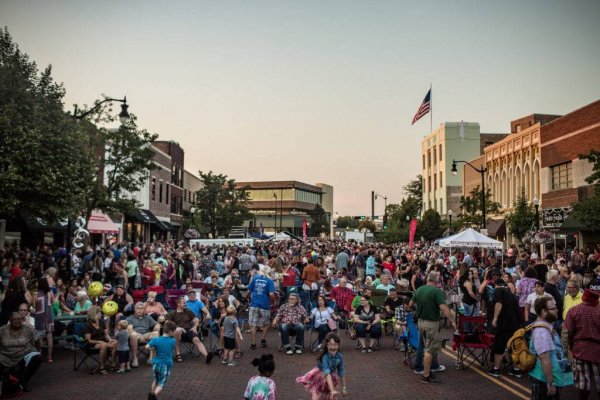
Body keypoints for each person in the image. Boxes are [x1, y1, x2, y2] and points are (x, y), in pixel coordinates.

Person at [409, 272, 456, 384]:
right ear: (436, 280)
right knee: (429, 350)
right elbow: (444, 308)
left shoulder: (419, 290)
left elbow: (410, 304)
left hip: (420, 322)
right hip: (431, 323)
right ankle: (426, 375)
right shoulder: (437, 291)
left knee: (425, 345)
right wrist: (453, 321)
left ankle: (427, 369)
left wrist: (420, 308)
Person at [529, 297, 574, 399]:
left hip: (550, 377)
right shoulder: (542, 332)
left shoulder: (547, 327)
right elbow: (544, 358)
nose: (557, 310)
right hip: (544, 380)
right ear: (543, 311)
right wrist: (550, 382)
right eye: (553, 309)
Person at [564, 282, 600, 400]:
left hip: (580, 349)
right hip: (597, 350)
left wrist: (571, 346)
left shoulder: (574, 311)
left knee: (582, 382)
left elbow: (569, 332)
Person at [489, 274, 524, 378]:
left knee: (499, 345)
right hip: (516, 324)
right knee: (514, 346)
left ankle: (496, 368)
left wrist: (495, 318)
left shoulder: (498, 291)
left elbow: (498, 303)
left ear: (495, 285)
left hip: (505, 323)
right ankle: (516, 369)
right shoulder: (510, 293)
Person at [0, 312, 42, 394]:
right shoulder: (2, 330)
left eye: (19, 319)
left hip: (24, 354)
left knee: (37, 357)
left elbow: (37, 340)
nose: (17, 321)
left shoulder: (27, 329)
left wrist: (38, 350)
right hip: (6, 355)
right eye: (15, 319)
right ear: (10, 320)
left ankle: (23, 381)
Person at [296, 332, 347, 399]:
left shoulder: (339, 356)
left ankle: (331, 393)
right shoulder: (325, 357)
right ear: (327, 345)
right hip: (320, 376)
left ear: (338, 345)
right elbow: (327, 373)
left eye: (336, 344)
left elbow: (341, 371)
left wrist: (344, 388)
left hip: (331, 376)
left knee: (332, 397)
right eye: (331, 344)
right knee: (317, 396)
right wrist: (332, 390)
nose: (333, 347)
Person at [166, 296, 214, 364]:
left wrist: (195, 326)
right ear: (178, 304)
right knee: (177, 331)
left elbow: (196, 319)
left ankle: (207, 356)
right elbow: (167, 323)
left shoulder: (188, 311)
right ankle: (178, 353)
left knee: (196, 339)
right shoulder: (172, 313)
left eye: (185, 303)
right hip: (178, 334)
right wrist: (176, 327)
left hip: (189, 330)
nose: (186, 304)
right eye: (184, 303)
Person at [146, 320, 177, 400]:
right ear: (170, 332)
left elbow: (146, 346)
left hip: (155, 364)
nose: (174, 333)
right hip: (165, 364)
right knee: (162, 383)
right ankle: (153, 396)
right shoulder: (173, 341)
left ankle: (151, 393)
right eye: (174, 332)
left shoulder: (156, 340)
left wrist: (152, 349)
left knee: (156, 380)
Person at [247, 266, 275, 349]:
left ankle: (253, 343)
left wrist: (248, 299)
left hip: (254, 303)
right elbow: (271, 294)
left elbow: (249, 290)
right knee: (266, 323)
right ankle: (263, 338)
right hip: (265, 304)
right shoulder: (269, 280)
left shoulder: (255, 278)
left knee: (253, 324)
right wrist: (273, 302)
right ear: (269, 273)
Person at [84, 305, 117, 375]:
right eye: (99, 312)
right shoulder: (88, 325)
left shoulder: (101, 321)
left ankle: (113, 364)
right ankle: (102, 367)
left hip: (103, 341)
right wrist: (99, 341)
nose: (101, 314)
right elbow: (88, 340)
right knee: (103, 345)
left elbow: (106, 334)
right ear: (94, 314)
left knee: (115, 343)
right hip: (93, 343)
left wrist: (110, 339)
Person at [126, 302, 160, 367]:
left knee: (156, 333)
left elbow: (156, 324)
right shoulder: (130, 318)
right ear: (135, 310)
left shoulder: (147, 317)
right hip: (136, 336)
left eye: (141, 308)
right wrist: (139, 335)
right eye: (137, 308)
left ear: (144, 310)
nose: (139, 310)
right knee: (133, 335)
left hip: (146, 335)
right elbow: (130, 329)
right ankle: (134, 358)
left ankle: (151, 358)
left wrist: (157, 325)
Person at [33, 277, 55, 363]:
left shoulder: (36, 294)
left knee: (40, 336)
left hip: (39, 316)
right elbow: (53, 303)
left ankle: (39, 354)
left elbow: (34, 306)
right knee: (49, 336)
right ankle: (49, 356)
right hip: (49, 315)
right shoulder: (50, 292)